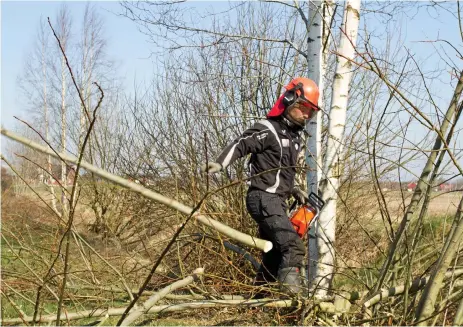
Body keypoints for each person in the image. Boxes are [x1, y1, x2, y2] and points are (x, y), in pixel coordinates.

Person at [201, 77, 320, 295]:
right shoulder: (268, 129)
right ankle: (294, 303)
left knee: (274, 253)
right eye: (304, 107)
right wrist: (220, 162)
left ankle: (258, 301)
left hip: (277, 201)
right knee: (293, 246)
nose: (306, 114)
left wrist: (294, 189)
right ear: (289, 99)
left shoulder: (294, 139)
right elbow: (241, 143)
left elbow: (279, 171)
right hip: (263, 198)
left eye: (311, 112)